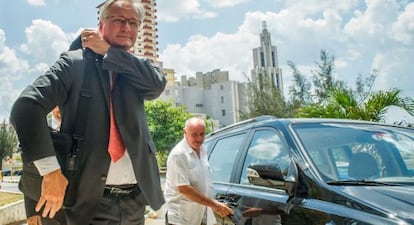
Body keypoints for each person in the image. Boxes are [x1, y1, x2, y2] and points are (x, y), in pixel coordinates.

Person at [10, 0, 166, 224]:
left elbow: (156, 85)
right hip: (88, 205)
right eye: (119, 20)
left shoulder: (136, 70)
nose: (127, 27)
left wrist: (110, 52)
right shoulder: (75, 64)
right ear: (101, 23)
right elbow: (26, 107)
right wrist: (50, 171)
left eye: (134, 22)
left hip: (135, 203)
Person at [164, 117, 233, 225]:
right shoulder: (179, 155)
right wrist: (215, 205)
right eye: (194, 134)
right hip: (182, 219)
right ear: (185, 132)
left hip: (201, 216)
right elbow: (184, 188)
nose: (199, 139)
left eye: (202, 134)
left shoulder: (203, 150)